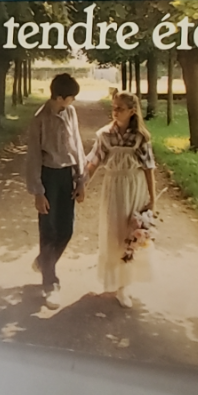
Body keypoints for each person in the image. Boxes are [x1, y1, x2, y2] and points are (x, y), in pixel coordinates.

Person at [85, 91, 156, 308]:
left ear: (132, 111)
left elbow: (149, 168)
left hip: (134, 187)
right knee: (113, 233)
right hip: (113, 188)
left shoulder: (140, 138)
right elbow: (93, 163)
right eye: (113, 107)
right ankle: (113, 280)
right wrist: (82, 184)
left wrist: (152, 199)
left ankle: (124, 286)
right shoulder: (105, 135)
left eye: (120, 109)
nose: (115, 112)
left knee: (130, 235)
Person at [25, 73, 86, 309]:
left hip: (67, 175)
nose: (73, 101)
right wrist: (38, 192)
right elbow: (33, 157)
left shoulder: (71, 113)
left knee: (66, 229)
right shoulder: (40, 119)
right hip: (48, 177)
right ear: (59, 97)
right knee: (48, 230)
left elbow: (77, 145)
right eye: (71, 97)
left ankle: (44, 261)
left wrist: (81, 180)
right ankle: (50, 284)